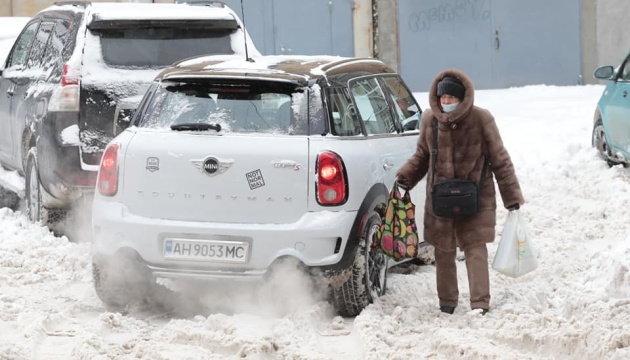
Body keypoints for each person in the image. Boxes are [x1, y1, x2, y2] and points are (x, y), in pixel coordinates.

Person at [395, 69, 524, 315]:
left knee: (475, 249)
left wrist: (512, 198)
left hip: (475, 198)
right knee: (443, 251)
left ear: (462, 98)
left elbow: (500, 160)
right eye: (443, 98)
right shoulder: (429, 120)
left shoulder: (481, 119)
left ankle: (480, 303)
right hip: (440, 200)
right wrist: (405, 177)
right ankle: (447, 303)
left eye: (451, 98)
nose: (446, 103)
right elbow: (422, 156)